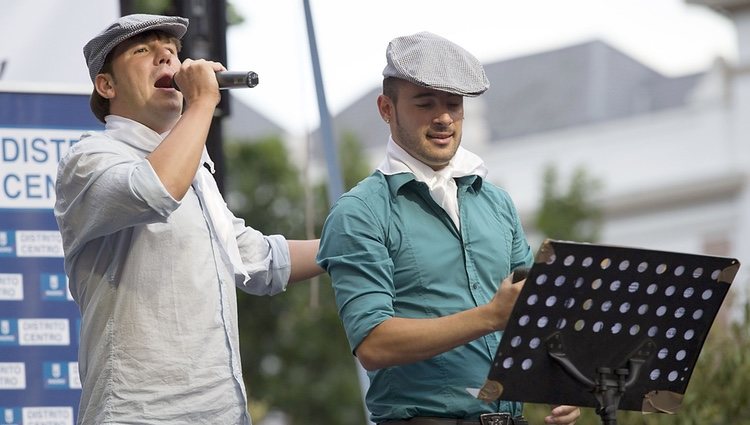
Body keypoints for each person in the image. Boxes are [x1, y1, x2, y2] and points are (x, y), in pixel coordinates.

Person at [54, 14, 322, 424]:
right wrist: (201, 103)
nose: (167, 56)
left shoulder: (193, 170)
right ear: (106, 86)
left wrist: (354, 245)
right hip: (141, 415)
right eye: (144, 50)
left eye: (173, 51)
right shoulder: (90, 159)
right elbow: (155, 189)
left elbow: (259, 260)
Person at [317, 32, 581, 425]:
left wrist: (562, 383)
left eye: (454, 105)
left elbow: (531, 313)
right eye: (425, 104)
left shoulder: (496, 202)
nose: (443, 118)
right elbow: (373, 343)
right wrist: (490, 316)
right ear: (386, 109)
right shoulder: (359, 212)